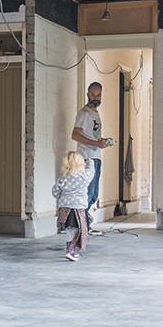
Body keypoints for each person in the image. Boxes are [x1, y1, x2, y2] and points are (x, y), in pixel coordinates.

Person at [71, 82, 113, 229]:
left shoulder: (95, 113)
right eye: (93, 95)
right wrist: (96, 144)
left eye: (98, 95)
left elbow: (92, 136)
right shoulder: (84, 113)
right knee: (88, 192)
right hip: (87, 157)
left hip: (96, 156)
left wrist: (102, 141)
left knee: (94, 194)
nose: (96, 98)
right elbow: (75, 135)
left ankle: (81, 221)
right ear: (88, 95)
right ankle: (78, 222)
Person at [51, 151, 96, 261]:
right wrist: (89, 160)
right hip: (78, 208)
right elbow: (91, 170)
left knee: (71, 230)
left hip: (65, 208)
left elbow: (55, 193)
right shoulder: (84, 178)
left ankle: (71, 250)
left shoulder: (63, 179)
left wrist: (63, 196)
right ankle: (70, 251)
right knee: (76, 230)